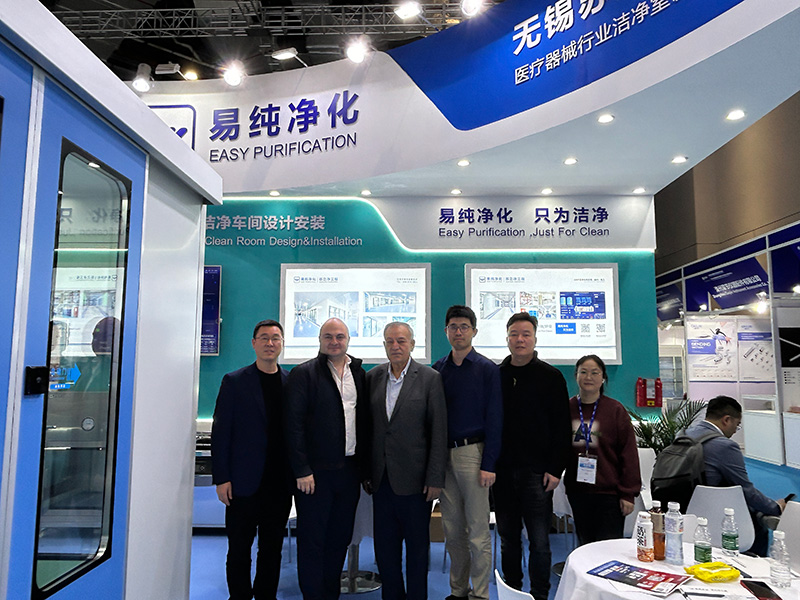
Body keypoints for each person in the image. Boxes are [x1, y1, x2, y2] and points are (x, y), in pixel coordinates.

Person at [285, 317, 368, 600]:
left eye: (340, 336)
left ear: (348, 340)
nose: (334, 342)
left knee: (339, 538)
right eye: (328, 337)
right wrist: (301, 469)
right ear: (320, 340)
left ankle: (330, 594)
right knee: (312, 541)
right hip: (314, 475)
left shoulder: (359, 374)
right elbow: (293, 425)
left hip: (349, 471)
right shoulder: (303, 374)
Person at [211, 319, 293, 600]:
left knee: (272, 549)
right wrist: (222, 478)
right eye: (264, 338)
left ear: (282, 344)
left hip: (279, 484)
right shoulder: (234, 381)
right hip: (242, 483)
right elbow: (221, 433)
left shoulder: (291, 383)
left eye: (276, 338)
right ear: (254, 343)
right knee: (239, 549)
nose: (270, 343)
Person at [365, 321, 448, 600]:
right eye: (390, 341)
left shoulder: (429, 378)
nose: (395, 346)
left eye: (401, 341)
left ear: (412, 344)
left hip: (416, 482)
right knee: (385, 551)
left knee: (417, 551)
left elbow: (438, 431)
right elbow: (368, 428)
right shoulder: (373, 377)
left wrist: (435, 478)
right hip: (381, 480)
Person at [494, 312, 571, 600]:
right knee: (508, 539)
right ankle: (512, 591)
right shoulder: (496, 375)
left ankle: (540, 594)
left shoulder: (551, 377)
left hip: (537, 473)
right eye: (514, 334)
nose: (520, 339)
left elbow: (562, 427)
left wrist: (555, 469)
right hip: (502, 473)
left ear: (535, 339)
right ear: (507, 339)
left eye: (525, 334)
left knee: (539, 541)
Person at [432, 305, 502, 600]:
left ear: (474, 331)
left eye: (464, 327)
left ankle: (480, 594)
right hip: (443, 455)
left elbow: (495, 418)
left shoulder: (487, 369)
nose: (458, 332)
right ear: (445, 331)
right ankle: (458, 591)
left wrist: (489, 463)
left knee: (477, 532)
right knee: (452, 530)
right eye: (453, 327)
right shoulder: (438, 369)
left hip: (473, 454)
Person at [685, 395, 787, 557]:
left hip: (684, 510)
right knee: (756, 522)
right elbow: (746, 490)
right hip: (714, 516)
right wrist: (775, 507)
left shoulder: (684, 435)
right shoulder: (725, 446)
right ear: (726, 420)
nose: (734, 431)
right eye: (737, 425)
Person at [563, 354, 641, 546]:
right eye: (583, 372)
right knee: (585, 546)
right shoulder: (567, 408)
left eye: (594, 372)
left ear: (603, 378)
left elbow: (629, 453)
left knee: (608, 548)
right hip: (578, 491)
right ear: (576, 376)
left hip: (609, 493)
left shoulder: (615, 410)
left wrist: (628, 493)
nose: (588, 377)